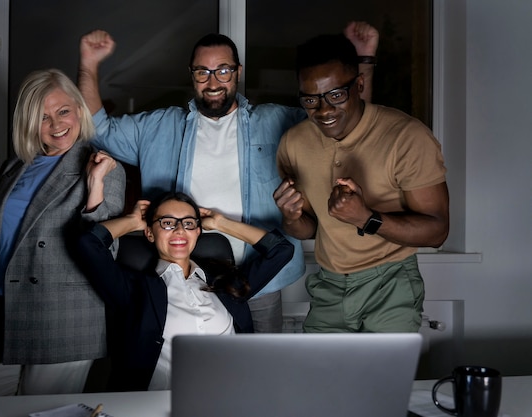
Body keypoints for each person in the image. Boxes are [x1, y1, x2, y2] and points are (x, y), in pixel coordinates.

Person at [77, 22, 379, 333]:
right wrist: (89, 62)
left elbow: (345, 122)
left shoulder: (276, 122)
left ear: (238, 71)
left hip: (257, 278)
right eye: (202, 72)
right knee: (183, 371)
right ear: (191, 74)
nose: (213, 81)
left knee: (259, 373)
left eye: (223, 70)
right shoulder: (158, 126)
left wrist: (364, 61)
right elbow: (98, 129)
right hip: (180, 282)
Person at [0, 69, 126, 396]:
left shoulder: (102, 165)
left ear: (78, 109)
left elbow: (103, 252)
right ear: (29, 123)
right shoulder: (15, 167)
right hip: (3, 313)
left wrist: (96, 183)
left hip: (61, 317)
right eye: (43, 117)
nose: (57, 124)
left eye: (63, 111)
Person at [273, 33, 449, 333]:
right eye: (311, 99)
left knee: (383, 380)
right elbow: (310, 227)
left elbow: (437, 231)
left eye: (336, 95)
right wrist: (291, 217)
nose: (324, 110)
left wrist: (366, 218)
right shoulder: (293, 143)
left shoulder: (407, 137)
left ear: (360, 85)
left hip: (390, 284)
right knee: (319, 380)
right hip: (329, 285)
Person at [75, 192, 294, 391]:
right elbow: (87, 243)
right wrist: (132, 222)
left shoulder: (226, 284)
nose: (180, 230)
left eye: (188, 223)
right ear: (149, 233)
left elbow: (280, 250)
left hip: (233, 396)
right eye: (167, 223)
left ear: (198, 232)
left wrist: (222, 223)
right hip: (163, 403)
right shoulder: (134, 290)